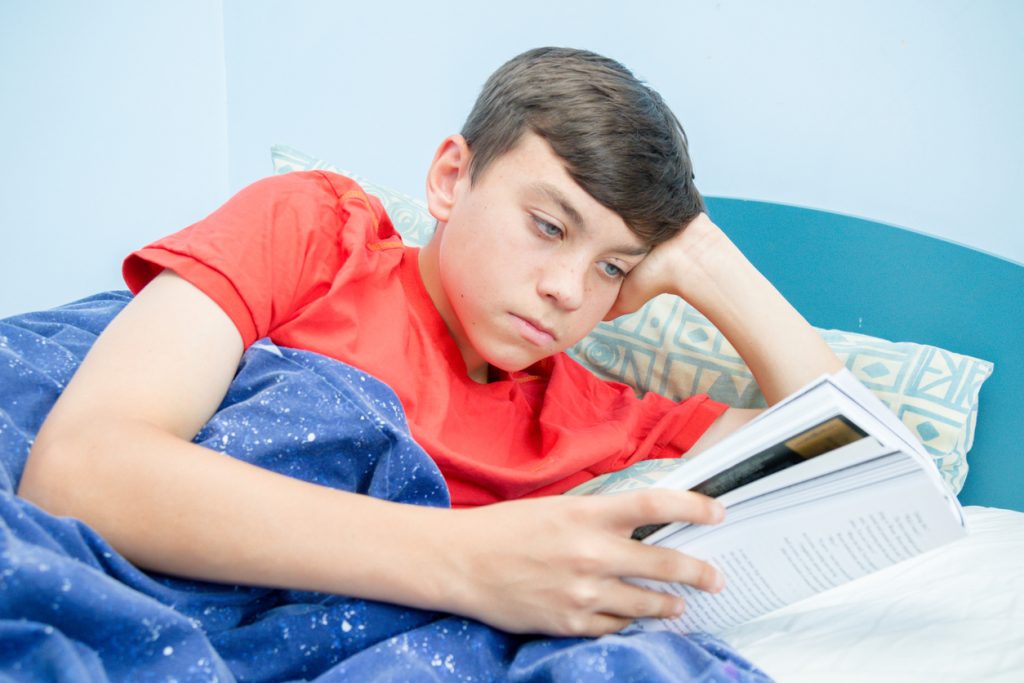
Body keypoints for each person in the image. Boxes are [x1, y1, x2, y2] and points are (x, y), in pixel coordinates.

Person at [16, 47, 842, 638]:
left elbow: (847, 448)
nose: (566, 288)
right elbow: (80, 467)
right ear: (451, 178)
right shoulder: (315, 231)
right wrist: (465, 559)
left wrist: (705, 256)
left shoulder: (592, 420)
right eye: (548, 225)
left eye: (613, 268)